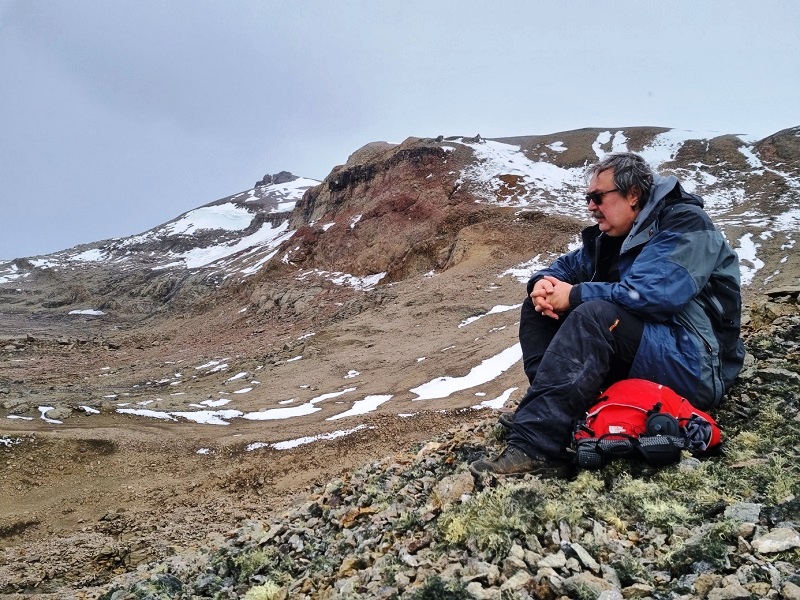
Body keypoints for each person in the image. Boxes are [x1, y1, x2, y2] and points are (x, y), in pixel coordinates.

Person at [470, 152, 745, 477]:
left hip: (695, 366)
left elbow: (653, 296)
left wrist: (574, 294)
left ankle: (536, 448)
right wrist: (542, 284)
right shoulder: (617, 235)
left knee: (596, 316)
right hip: (653, 352)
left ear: (632, 195)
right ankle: (550, 412)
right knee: (539, 305)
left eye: (598, 197)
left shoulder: (686, 226)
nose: (590, 206)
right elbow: (567, 267)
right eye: (588, 198)